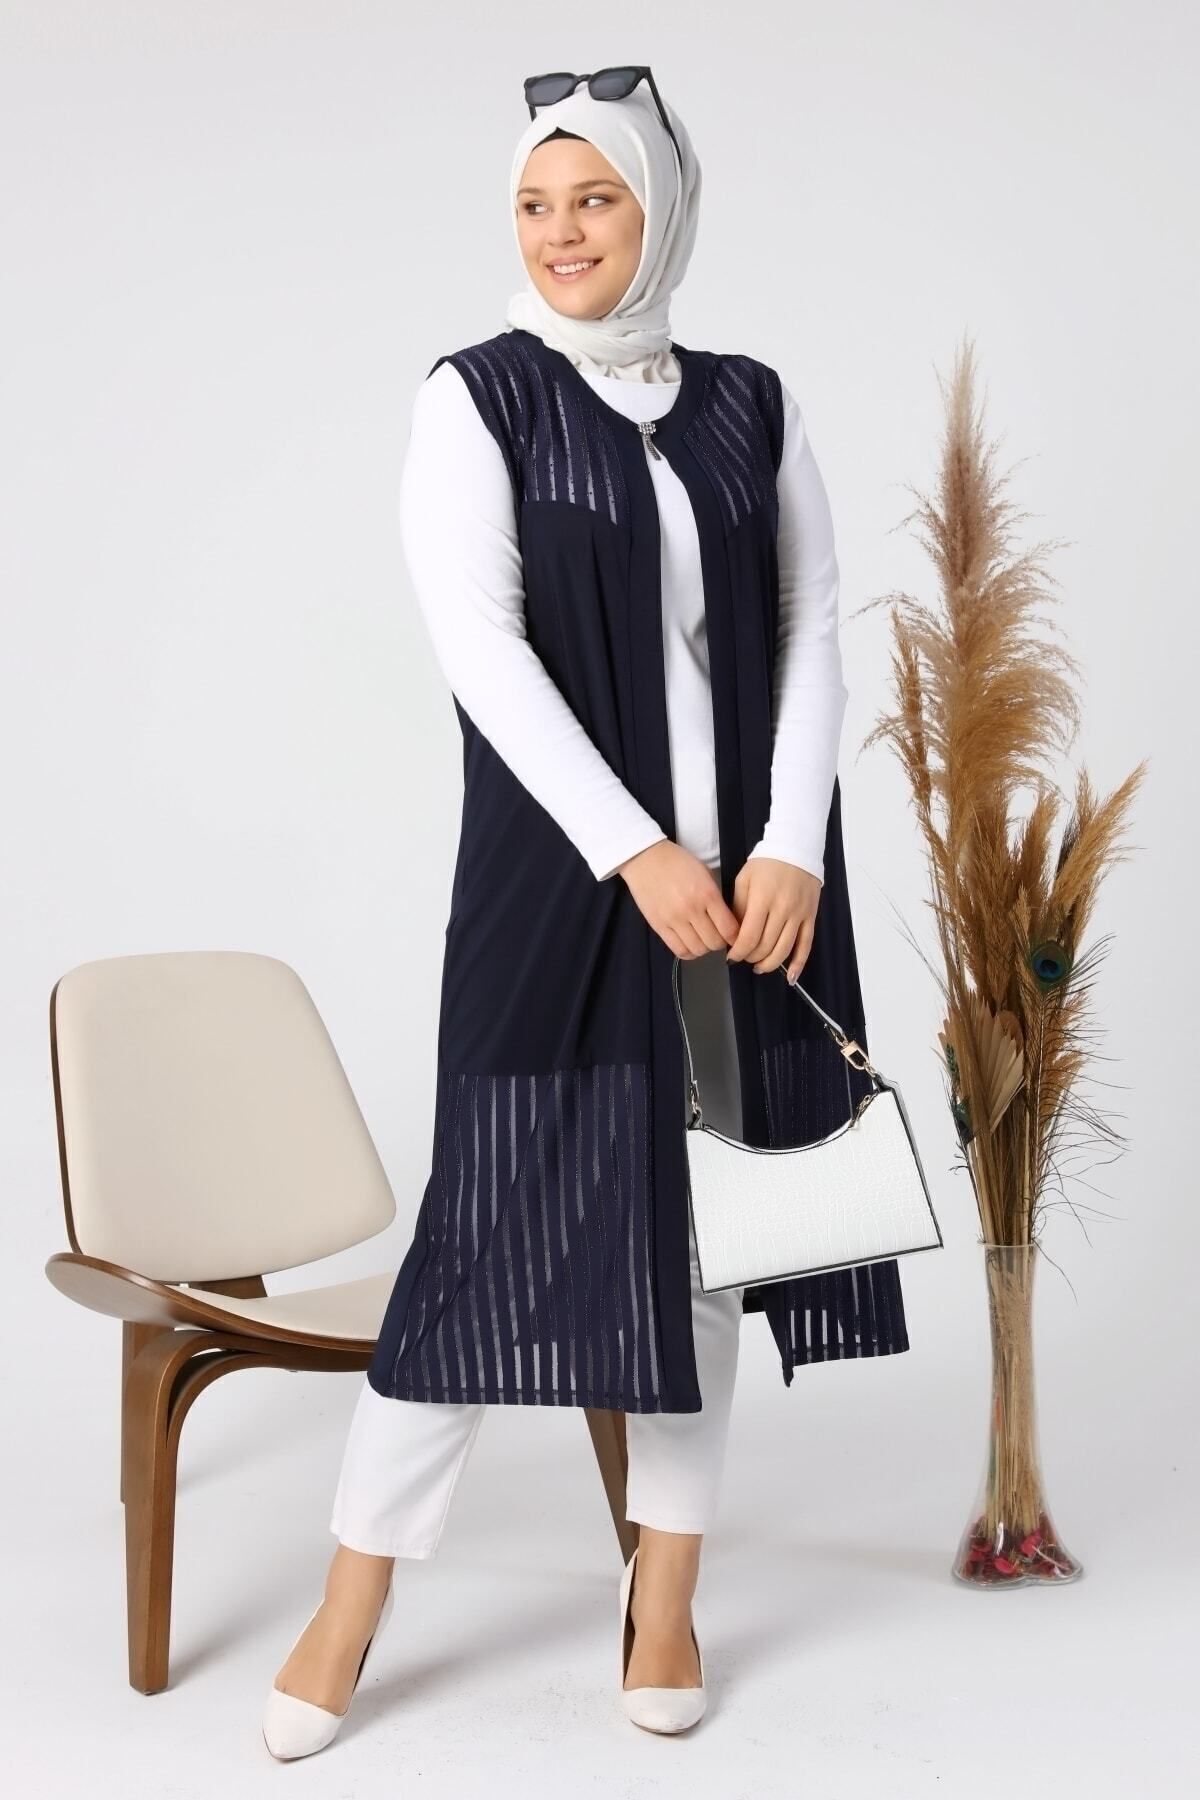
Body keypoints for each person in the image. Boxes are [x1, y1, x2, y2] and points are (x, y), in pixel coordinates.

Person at [262, 68, 908, 1760]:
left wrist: (790, 845)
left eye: (597, 198)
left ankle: (665, 1595)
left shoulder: (752, 404)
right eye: (537, 205)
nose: (562, 233)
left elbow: (815, 623)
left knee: (702, 1240)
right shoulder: (478, 398)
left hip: (750, 899)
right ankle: (349, 1607)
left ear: (660, 209)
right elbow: (482, 652)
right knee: (490, 1232)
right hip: (566, 892)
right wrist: (637, 852)